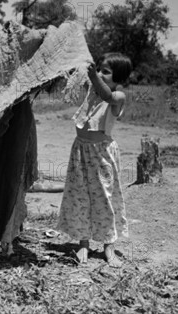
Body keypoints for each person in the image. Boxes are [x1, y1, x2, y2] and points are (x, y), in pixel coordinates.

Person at [57, 53, 133, 267]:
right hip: (80, 150)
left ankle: (109, 245)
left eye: (105, 72)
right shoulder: (93, 90)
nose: (99, 74)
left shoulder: (118, 96)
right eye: (98, 69)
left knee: (105, 198)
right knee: (80, 195)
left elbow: (107, 95)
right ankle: (83, 243)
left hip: (101, 154)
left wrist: (92, 75)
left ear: (118, 78)